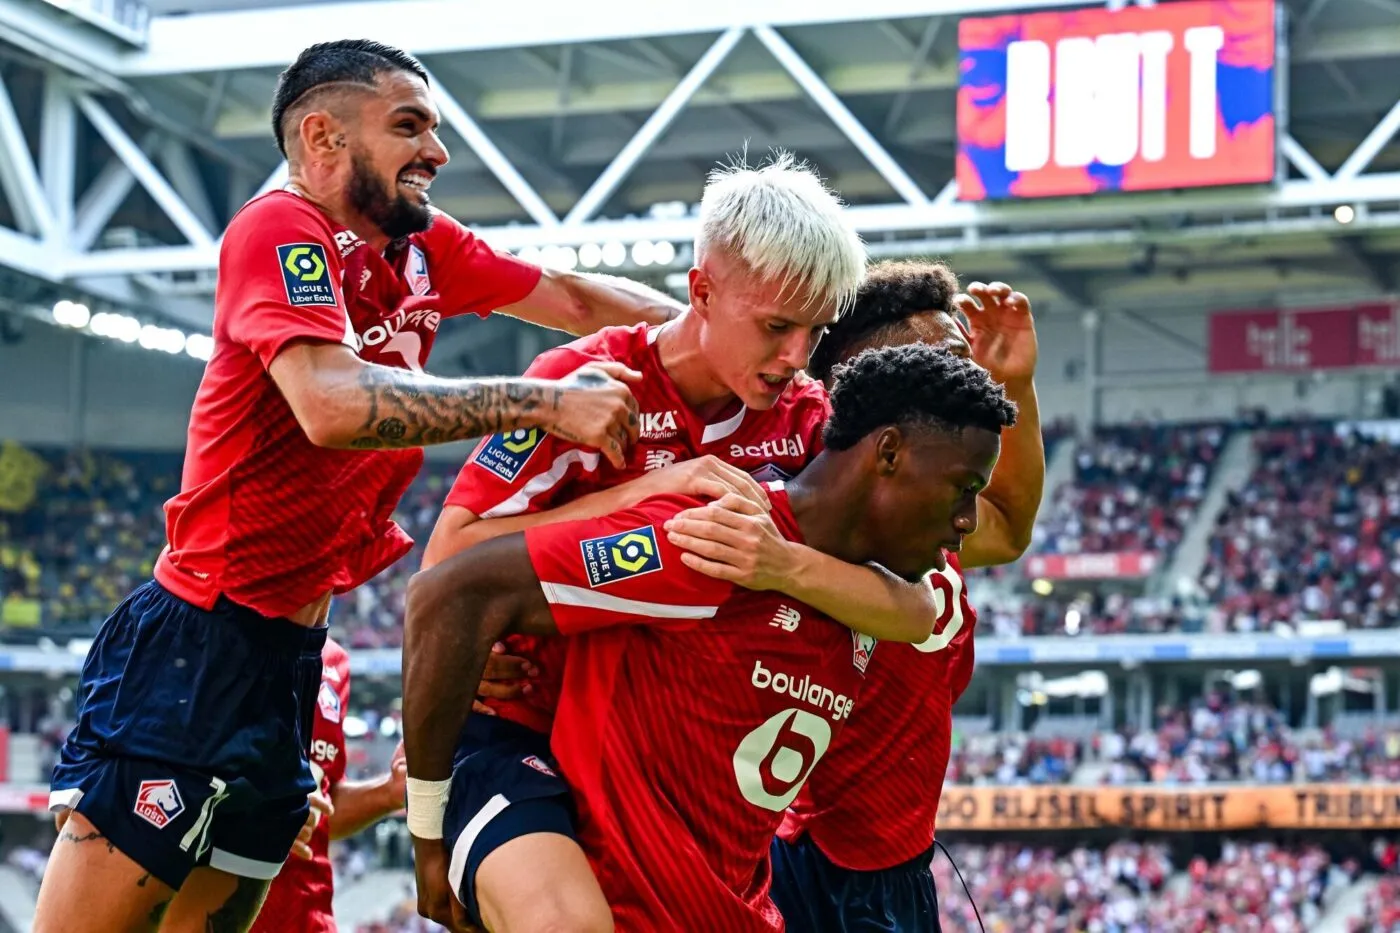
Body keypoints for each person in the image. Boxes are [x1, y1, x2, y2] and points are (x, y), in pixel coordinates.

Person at [37, 38, 683, 933]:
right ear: (322, 137)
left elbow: (574, 298)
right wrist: (541, 402)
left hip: (291, 663)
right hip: (196, 647)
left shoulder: (417, 251)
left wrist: (720, 329)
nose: (438, 152)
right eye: (409, 125)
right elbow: (331, 405)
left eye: (435, 128)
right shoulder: (278, 228)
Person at [409, 155, 955, 932]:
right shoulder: (584, 381)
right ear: (701, 293)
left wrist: (783, 563)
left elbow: (911, 606)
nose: (799, 355)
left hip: (666, 776)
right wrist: (640, 493)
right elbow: (448, 561)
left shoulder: (807, 424)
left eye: (815, 329)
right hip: (523, 735)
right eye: (776, 326)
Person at [404, 343, 1018, 931]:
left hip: (740, 907)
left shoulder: (868, 591)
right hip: (626, 902)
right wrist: (427, 831)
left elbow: (927, 605)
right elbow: (449, 594)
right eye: (963, 489)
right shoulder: (711, 543)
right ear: (888, 453)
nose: (967, 521)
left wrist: (788, 567)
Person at [769, 264, 1044, 933]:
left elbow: (1006, 530)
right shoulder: (814, 502)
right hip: (806, 857)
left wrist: (1018, 384)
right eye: (944, 359)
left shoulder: (930, 503)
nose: (966, 373)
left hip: (895, 863)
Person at [252, 637, 407, 933]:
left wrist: (389, 792)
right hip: (217, 910)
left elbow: (320, 811)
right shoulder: (203, 630)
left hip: (308, 917)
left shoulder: (334, 660)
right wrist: (253, 803)